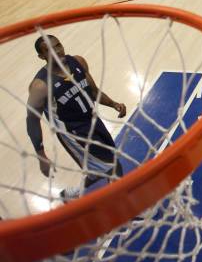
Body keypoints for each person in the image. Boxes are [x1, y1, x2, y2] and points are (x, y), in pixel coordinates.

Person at [26, 35, 127, 200]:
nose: (57, 51)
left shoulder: (78, 61)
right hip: (73, 133)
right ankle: (126, 209)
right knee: (113, 167)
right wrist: (41, 155)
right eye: (49, 50)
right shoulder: (40, 86)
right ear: (42, 56)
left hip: (93, 121)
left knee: (102, 164)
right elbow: (32, 120)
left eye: (58, 45)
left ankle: (75, 193)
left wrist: (113, 103)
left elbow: (93, 92)